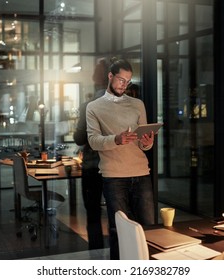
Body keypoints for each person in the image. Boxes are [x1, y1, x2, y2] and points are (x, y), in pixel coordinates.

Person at [86, 58, 155, 259]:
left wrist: (148, 141)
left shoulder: (137, 104)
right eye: (120, 80)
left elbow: (144, 144)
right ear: (110, 76)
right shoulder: (94, 107)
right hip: (114, 177)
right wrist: (116, 139)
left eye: (128, 81)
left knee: (148, 229)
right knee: (119, 232)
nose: (124, 85)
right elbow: (93, 141)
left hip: (141, 173)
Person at [73, 90, 105, 250]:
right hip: (116, 166)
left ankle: (97, 252)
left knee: (93, 212)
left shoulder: (88, 106)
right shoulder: (120, 103)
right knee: (120, 214)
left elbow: (79, 139)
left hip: (93, 166)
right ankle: (123, 252)